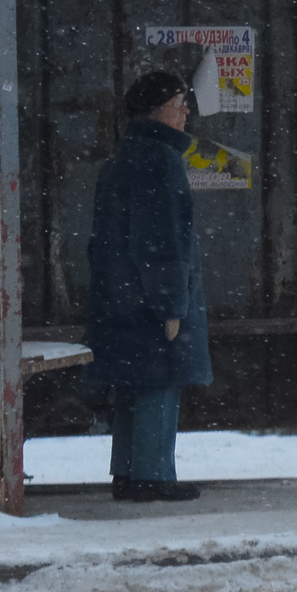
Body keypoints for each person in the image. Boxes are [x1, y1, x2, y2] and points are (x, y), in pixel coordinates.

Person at [87, 68, 213, 503]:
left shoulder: (122, 158)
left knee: (131, 385)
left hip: (118, 299)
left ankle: (127, 472)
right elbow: (163, 245)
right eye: (179, 105)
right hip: (150, 301)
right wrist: (172, 305)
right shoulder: (162, 161)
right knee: (160, 381)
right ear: (157, 110)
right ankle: (153, 474)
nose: (185, 113)